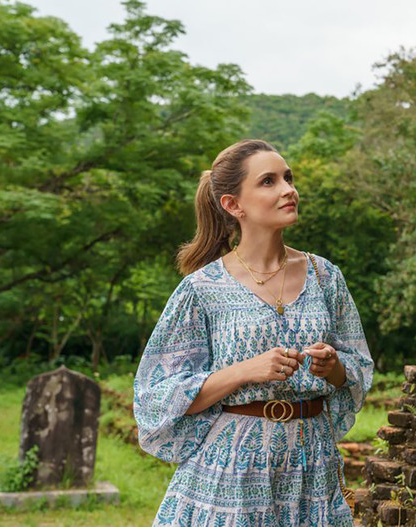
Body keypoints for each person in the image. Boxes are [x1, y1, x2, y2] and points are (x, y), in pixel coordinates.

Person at [133, 139, 375, 526]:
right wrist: (245, 370)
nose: (288, 190)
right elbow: (157, 396)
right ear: (233, 205)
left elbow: (359, 367)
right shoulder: (202, 288)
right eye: (269, 181)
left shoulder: (325, 276)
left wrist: (333, 367)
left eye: (288, 178)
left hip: (311, 465)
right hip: (232, 470)